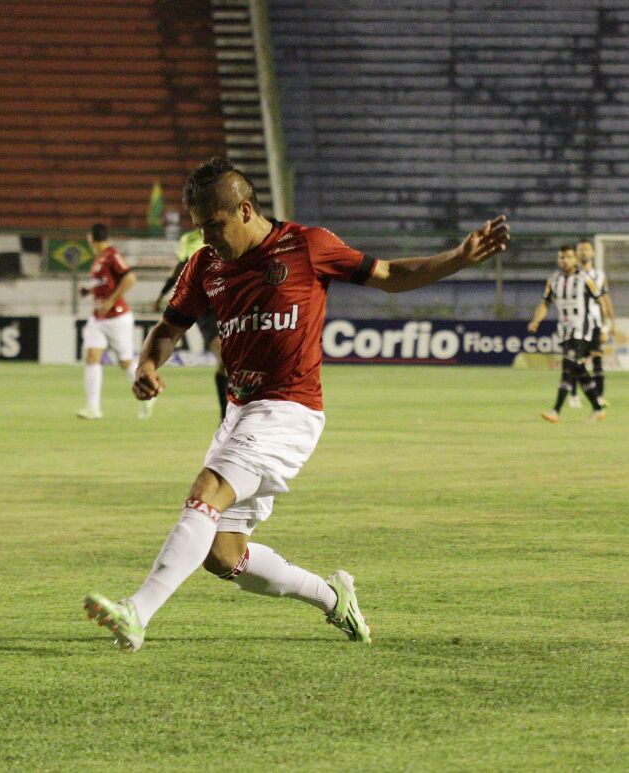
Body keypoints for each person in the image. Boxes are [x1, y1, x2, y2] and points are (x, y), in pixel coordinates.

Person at [83, 156, 509, 652]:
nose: (206, 238)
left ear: (245, 210)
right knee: (224, 556)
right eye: (199, 228)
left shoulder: (308, 245)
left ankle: (137, 613)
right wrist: (148, 365)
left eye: (214, 226)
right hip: (241, 412)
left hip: (289, 410)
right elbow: (169, 327)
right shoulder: (205, 265)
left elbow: (390, 274)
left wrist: (458, 257)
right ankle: (333, 598)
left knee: (208, 488)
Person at [77, 223, 153, 419]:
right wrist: (90, 290)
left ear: (92, 238)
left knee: (126, 362)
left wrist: (111, 300)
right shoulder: (99, 258)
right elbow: (105, 283)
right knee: (92, 357)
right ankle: (93, 408)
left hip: (117, 317)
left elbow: (130, 278)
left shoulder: (111, 255)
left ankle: (149, 392)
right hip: (98, 317)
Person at [155, 227, 229, 418]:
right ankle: (226, 417)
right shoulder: (188, 239)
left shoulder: (231, 232)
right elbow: (180, 269)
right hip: (206, 305)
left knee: (234, 361)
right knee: (225, 356)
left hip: (231, 300)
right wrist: (162, 295)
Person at [527, 245, 606, 423]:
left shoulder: (585, 278)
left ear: (575, 260)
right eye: (561, 257)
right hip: (564, 330)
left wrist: (603, 328)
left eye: (568, 257)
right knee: (579, 369)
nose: (564, 260)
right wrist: (536, 320)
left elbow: (600, 301)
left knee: (568, 366)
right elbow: (545, 303)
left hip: (581, 330)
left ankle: (555, 411)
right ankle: (597, 408)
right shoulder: (553, 280)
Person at [576, 239, 615, 406]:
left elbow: (605, 300)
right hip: (578, 324)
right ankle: (573, 394)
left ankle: (598, 396)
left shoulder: (600, 276)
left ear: (592, 253)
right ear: (576, 254)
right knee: (577, 362)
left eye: (586, 249)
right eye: (580, 250)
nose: (583, 252)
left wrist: (608, 325)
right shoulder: (572, 275)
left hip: (596, 323)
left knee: (597, 360)